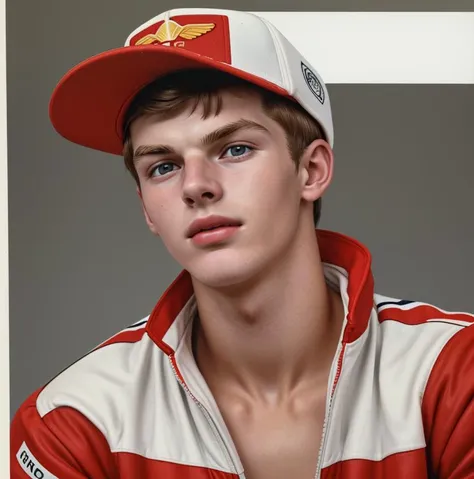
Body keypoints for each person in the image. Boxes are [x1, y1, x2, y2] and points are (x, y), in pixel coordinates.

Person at [10, 7, 474, 479]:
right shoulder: (74, 420)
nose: (196, 185)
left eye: (235, 149)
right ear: (148, 208)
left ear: (310, 171)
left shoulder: (456, 374)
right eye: (163, 166)